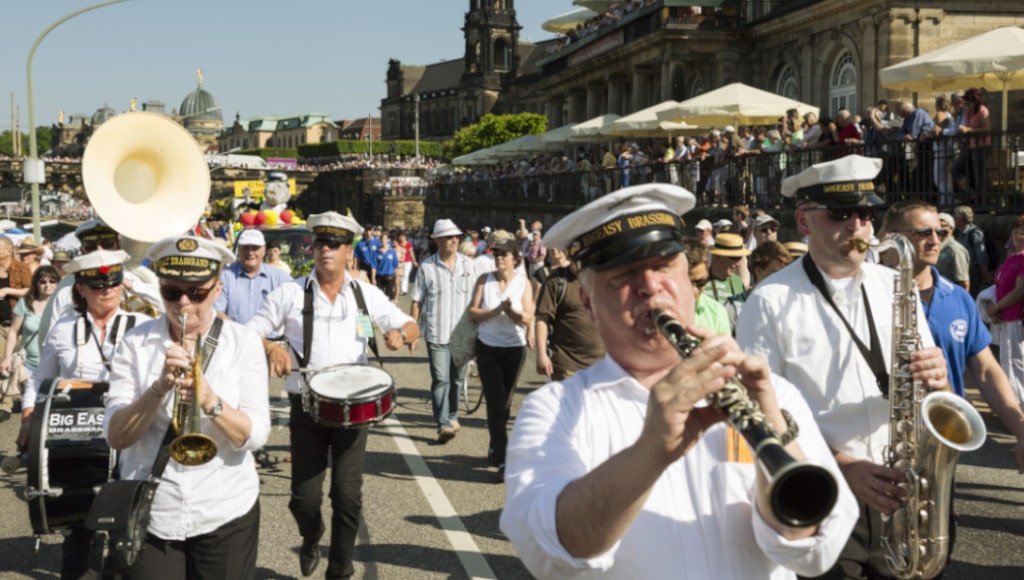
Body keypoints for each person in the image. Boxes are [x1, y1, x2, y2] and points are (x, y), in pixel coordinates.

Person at [502, 183, 857, 579]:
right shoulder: (553, 409)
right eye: (624, 275)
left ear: (690, 283)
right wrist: (651, 450)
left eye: (664, 266)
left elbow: (813, 552)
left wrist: (774, 432)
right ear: (587, 304)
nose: (650, 287)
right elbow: (553, 551)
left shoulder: (774, 393)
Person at [736, 155, 952, 579]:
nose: (857, 226)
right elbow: (761, 415)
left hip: (909, 491)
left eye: (866, 213)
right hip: (829, 492)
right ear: (803, 221)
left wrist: (937, 378)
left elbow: (929, 390)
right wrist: (841, 465)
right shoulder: (769, 301)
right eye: (840, 214)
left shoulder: (895, 283)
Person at [247, 211, 419, 578]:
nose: (326, 250)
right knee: (303, 500)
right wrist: (270, 347)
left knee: (347, 496)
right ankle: (311, 537)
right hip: (306, 406)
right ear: (313, 248)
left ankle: (339, 570)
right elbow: (249, 332)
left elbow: (409, 324)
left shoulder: (364, 293)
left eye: (335, 244)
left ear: (348, 252)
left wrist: (400, 334)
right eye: (320, 243)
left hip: (353, 412)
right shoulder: (290, 293)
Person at [104, 235, 270, 579]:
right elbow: (117, 437)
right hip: (155, 511)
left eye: (197, 293)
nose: (183, 303)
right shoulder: (135, 343)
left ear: (217, 289)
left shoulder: (243, 342)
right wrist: (159, 386)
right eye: (171, 292)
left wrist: (210, 401)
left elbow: (255, 436)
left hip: (225, 508)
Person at [26, 251, 147, 579]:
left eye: (114, 283)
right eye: (97, 286)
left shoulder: (143, 326)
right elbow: (41, 377)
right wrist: (28, 416)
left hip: (130, 434)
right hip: (79, 437)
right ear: (80, 288)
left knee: (131, 521)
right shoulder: (64, 328)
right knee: (81, 522)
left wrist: (141, 287)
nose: (107, 290)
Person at [880, 201, 1024, 468]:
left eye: (941, 233)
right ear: (891, 238)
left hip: (942, 444)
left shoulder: (958, 298)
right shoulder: (869, 295)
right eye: (923, 232)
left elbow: (985, 371)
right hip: (881, 444)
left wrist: (1021, 429)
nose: (935, 240)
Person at [468, 234, 534, 482]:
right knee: (495, 404)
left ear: (515, 258)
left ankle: (495, 446)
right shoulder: (485, 280)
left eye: (504, 255)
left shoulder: (524, 284)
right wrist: (495, 310)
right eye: (496, 254)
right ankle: (505, 458)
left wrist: (513, 313)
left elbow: (528, 317)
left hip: (514, 350)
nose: (498, 258)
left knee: (504, 405)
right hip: (487, 348)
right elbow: (473, 313)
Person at [37, 219, 162, 350]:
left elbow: (172, 309)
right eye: (91, 246)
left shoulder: (136, 280)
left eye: (107, 244)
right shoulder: (67, 290)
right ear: (82, 250)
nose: (99, 251)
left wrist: (133, 286)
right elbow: (50, 344)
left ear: (118, 245)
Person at [411, 218, 475, 443]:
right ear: (437, 240)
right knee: (441, 378)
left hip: (463, 335)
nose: (454, 240)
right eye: (448, 237)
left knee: (457, 379)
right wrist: (412, 330)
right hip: (436, 331)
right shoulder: (427, 267)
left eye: (456, 236)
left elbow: (479, 297)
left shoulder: (469, 265)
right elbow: (417, 301)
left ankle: (453, 414)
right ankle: (443, 423)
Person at [534, 247, 604, 381]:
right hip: (567, 366)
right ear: (568, 256)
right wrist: (541, 355)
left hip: (601, 366)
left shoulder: (601, 279)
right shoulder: (556, 280)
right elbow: (542, 318)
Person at [0, 266, 58, 414]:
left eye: (52, 281)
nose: (48, 285)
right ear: (36, 284)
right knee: (31, 412)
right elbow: (13, 331)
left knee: (52, 411)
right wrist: (7, 358)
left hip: (57, 367)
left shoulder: (64, 305)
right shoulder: (25, 303)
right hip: (30, 367)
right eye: (43, 282)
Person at [215, 228, 292, 325]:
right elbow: (217, 312)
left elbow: (298, 304)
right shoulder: (225, 276)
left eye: (255, 248)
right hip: (235, 337)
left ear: (264, 250)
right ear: (239, 250)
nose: (250, 252)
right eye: (246, 247)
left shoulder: (279, 277)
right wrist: (245, 335)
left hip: (272, 339)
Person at [986, 214, 1024, 405]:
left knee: (1018, 364)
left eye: (1023, 233)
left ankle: (1020, 408)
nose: (1019, 236)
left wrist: (996, 308)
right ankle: (1013, 405)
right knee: (1008, 363)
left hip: (1018, 318)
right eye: (1016, 232)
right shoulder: (1012, 258)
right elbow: (999, 286)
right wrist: (994, 310)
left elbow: (1020, 291)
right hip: (1005, 317)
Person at [952, 87, 992, 194]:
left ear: (975, 101)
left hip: (981, 146)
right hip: (970, 146)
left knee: (979, 175)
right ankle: (971, 194)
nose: (966, 104)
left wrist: (969, 130)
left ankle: (982, 201)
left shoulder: (982, 110)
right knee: (956, 169)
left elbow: (987, 129)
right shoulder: (967, 112)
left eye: (968, 102)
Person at [953, 205, 989, 297]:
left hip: (972, 271)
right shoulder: (961, 232)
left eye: (955, 216)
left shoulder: (975, 234)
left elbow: (982, 256)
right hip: (963, 269)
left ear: (960, 219)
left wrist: (984, 274)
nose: (953, 218)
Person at [706, 232, 749, 304]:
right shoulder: (700, 279)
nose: (739, 264)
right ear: (717, 256)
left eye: (740, 258)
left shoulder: (737, 281)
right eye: (735, 258)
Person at [936, 212, 971, 291]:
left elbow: (963, 283)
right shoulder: (935, 247)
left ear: (951, 228)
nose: (939, 229)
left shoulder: (956, 250)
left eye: (942, 225)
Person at [371, 230, 399, 301]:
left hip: (390, 276)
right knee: (380, 296)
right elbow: (374, 267)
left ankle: (389, 310)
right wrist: (373, 278)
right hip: (380, 276)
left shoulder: (392, 252)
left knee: (388, 297)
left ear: (387, 240)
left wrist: (397, 278)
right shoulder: (376, 252)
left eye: (385, 239)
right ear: (380, 240)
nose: (383, 241)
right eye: (382, 239)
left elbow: (395, 266)